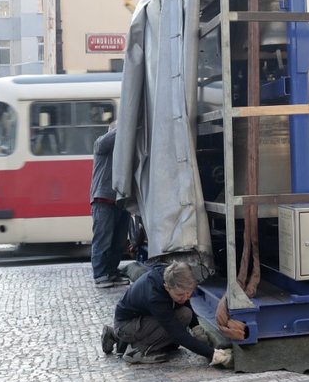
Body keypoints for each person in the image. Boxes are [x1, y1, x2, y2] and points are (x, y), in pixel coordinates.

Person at [101, 261, 244, 365]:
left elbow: (184, 301)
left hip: (137, 319)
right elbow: (177, 332)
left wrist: (196, 327)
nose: (185, 298)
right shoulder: (156, 297)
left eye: (189, 293)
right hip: (127, 324)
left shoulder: (172, 275)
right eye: (180, 295)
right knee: (177, 323)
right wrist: (212, 354)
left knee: (185, 314)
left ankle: (114, 334)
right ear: (166, 287)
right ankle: (136, 352)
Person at [90, 122, 130, 288]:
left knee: (118, 241)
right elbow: (110, 138)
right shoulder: (101, 144)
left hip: (120, 200)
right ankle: (100, 275)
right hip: (103, 199)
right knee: (103, 239)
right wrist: (128, 121)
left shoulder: (123, 152)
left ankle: (111, 272)